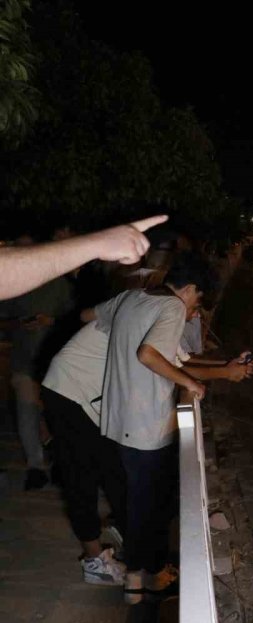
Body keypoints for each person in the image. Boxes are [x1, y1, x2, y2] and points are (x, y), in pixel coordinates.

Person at [42, 287, 253, 587]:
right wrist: (225, 373)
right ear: (188, 290)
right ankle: (95, 559)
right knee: (83, 477)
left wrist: (227, 367)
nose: (194, 316)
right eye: (196, 308)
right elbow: (161, 362)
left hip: (92, 396)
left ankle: (135, 552)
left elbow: (177, 362)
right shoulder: (164, 309)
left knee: (117, 474)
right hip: (70, 388)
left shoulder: (143, 303)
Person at [98, 252, 220, 603]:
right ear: (191, 289)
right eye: (198, 298)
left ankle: (144, 575)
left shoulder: (131, 297)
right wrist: (190, 384)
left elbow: (90, 316)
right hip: (147, 424)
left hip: (117, 419)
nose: (195, 307)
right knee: (147, 506)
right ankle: (139, 579)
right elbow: (149, 354)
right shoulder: (172, 309)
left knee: (141, 500)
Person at [0, 232, 77, 489]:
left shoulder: (58, 284)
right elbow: (4, 318)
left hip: (54, 363)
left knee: (54, 415)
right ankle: (35, 466)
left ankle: (59, 464)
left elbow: (76, 320)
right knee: (26, 413)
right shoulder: (12, 283)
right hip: (24, 360)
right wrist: (17, 323)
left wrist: (49, 321)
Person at [0, 215, 167, 299]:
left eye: (61, 234)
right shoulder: (55, 273)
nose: (56, 239)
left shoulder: (96, 265)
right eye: (55, 236)